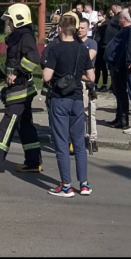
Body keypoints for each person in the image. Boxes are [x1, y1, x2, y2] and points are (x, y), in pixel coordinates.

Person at [0, 4, 42, 174]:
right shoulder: (18, 37)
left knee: (7, 125)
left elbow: (33, 58)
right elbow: (11, 65)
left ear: (18, 20)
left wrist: (19, 73)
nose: (8, 24)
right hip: (22, 90)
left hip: (20, 91)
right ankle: (33, 162)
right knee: (26, 126)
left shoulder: (25, 37)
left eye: (10, 20)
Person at [43, 14, 95, 197]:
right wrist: (75, 77)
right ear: (75, 29)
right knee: (79, 143)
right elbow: (91, 77)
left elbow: (47, 77)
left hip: (60, 98)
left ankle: (66, 185)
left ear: (59, 29)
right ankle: (84, 184)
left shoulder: (55, 50)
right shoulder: (83, 49)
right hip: (77, 99)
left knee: (62, 143)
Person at [108, 9, 131, 129]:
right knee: (117, 92)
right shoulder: (122, 30)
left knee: (121, 92)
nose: (118, 20)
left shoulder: (128, 31)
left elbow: (125, 50)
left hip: (120, 66)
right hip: (115, 64)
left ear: (124, 19)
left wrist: (119, 65)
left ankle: (123, 119)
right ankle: (118, 117)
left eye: (120, 18)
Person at [78, 18, 99, 152]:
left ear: (88, 29)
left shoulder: (91, 43)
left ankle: (92, 138)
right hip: (76, 80)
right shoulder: (73, 41)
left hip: (87, 81)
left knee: (89, 112)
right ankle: (78, 137)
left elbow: (87, 58)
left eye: (82, 28)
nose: (80, 30)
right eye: (78, 28)